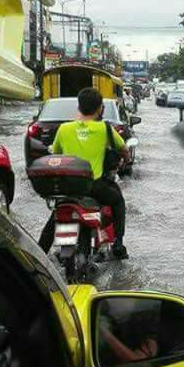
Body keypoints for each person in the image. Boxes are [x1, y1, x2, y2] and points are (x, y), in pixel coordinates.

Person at [39, 87, 130, 259]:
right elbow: (124, 150)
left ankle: (37, 258)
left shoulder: (64, 129)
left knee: (54, 219)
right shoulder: (105, 129)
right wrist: (124, 160)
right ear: (99, 108)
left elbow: (55, 152)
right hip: (94, 186)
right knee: (118, 201)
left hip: (67, 187)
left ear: (79, 106)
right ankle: (118, 243)